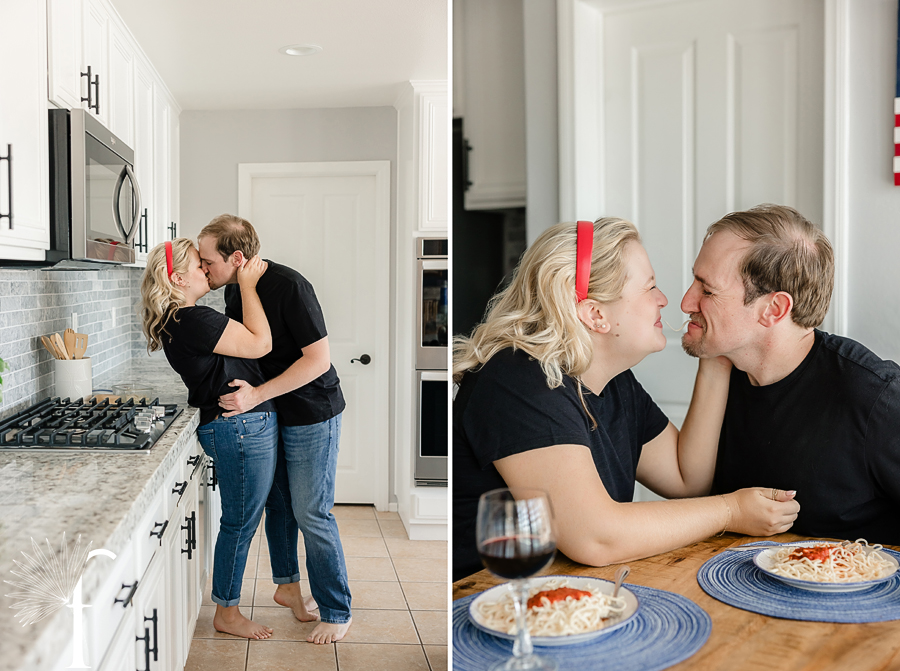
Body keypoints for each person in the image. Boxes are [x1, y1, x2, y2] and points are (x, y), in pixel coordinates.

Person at [453, 218, 800, 580]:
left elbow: (686, 478)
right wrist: (732, 511)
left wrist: (715, 356)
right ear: (596, 314)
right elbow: (596, 537)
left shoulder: (613, 383)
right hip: (483, 605)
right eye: (649, 287)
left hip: (562, 599)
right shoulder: (518, 382)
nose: (666, 300)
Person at [681, 204, 900, 544]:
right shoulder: (723, 368)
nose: (686, 302)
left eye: (707, 290)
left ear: (774, 309)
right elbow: (692, 495)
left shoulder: (874, 396)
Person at [197, 214, 352, 645]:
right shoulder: (235, 289)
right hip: (271, 411)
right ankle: (287, 586)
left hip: (311, 411)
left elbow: (317, 360)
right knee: (279, 506)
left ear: (237, 257)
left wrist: (258, 395)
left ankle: (338, 610)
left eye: (208, 261)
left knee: (311, 512)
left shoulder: (290, 286)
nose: (203, 268)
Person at [139, 238, 280, 639]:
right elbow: (261, 344)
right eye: (198, 265)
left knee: (241, 520)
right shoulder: (192, 318)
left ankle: (230, 604)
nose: (206, 269)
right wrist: (248, 287)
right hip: (238, 428)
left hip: (236, 426)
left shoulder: (180, 318)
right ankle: (227, 612)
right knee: (240, 522)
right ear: (178, 277)